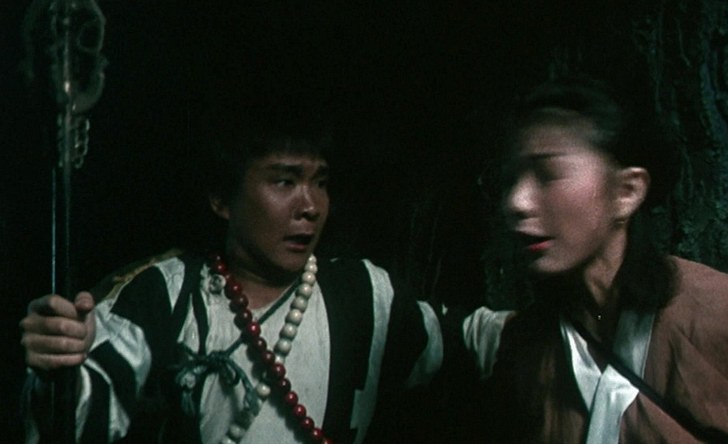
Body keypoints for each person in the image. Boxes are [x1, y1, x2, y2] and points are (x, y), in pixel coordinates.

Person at [19, 102, 444, 444]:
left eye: (320, 181)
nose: (311, 206)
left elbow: (458, 343)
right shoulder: (163, 295)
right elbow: (78, 418)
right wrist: (58, 367)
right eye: (284, 181)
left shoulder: (363, 294)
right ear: (222, 199)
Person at [472, 76, 728, 443]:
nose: (516, 202)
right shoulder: (529, 352)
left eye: (548, 174)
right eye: (510, 180)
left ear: (627, 192)